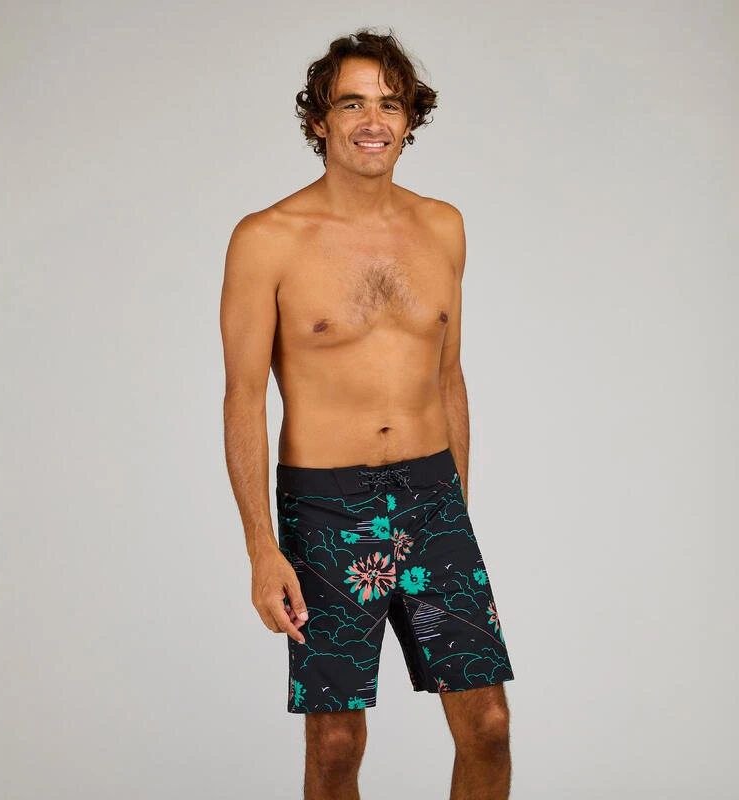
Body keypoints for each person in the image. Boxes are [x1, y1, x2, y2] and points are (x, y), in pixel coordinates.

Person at [220, 30, 515, 800]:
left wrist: (458, 507)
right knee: (336, 744)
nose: (372, 121)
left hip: (433, 499)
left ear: (411, 118)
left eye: (389, 104)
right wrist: (260, 548)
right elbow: (243, 397)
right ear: (319, 120)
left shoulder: (442, 226)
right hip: (326, 507)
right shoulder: (266, 239)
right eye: (351, 104)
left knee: (487, 725)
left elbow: (448, 376)